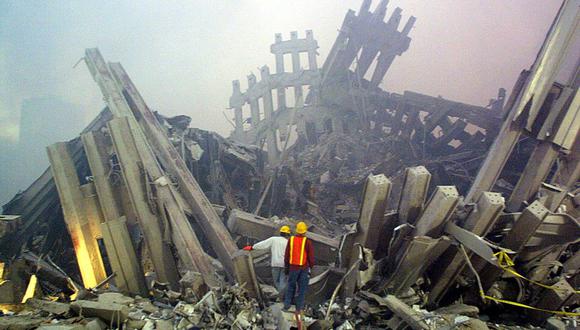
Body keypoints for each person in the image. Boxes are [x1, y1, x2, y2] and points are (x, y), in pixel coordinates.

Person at [243, 225, 291, 296]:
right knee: (283, 281)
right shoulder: (289, 242)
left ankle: (280, 295)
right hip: (285, 265)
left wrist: (252, 247)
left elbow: (263, 244)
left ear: (280, 233)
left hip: (275, 264)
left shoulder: (274, 239)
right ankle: (282, 295)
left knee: (276, 281)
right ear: (288, 234)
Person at [283, 221, 314, 313]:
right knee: (302, 289)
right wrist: (311, 267)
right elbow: (310, 257)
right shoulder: (307, 242)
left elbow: (287, 255)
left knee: (290, 287)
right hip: (303, 269)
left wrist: (286, 267)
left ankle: (286, 306)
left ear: (297, 231)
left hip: (293, 268)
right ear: (305, 232)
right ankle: (298, 309)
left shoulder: (291, 240)